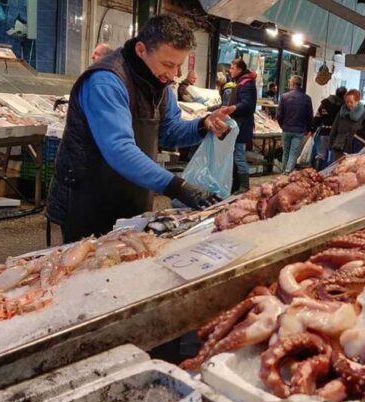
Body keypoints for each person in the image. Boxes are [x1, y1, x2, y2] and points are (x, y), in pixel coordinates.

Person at [46, 14, 234, 242]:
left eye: (178, 66)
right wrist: (177, 186)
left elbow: (170, 132)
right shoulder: (106, 80)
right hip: (88, 201)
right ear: (141, 49)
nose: (173, 74)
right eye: (168, 64)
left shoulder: (160, 85)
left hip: (132, 198)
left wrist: (202, 125)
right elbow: (119, 149)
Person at [226, 58, 257, 192]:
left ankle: (244, 186)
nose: (230, 71)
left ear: (239, 69)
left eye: (232, 68)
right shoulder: (241, 82)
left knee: (239, 156)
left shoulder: (246, 84)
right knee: (235, 156)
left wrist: (232, 108)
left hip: (242, 126)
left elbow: (247, 105)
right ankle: (235, 186)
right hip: (238, 125)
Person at [276, 75, 313, 174]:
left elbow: (279, 114)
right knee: (293, 153)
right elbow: (309, 115)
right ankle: (287, 172)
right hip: (299, 130)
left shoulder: (284, 97)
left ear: (292, 83)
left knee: (286, 152)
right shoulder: (306, 98)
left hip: (286, 129)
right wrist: (308, 129)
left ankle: (284, 171)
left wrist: (282, 125)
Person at [310, 86, 346, 165]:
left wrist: (312, 129)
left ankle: (317, 171)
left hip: (323, 132)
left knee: (320, 155)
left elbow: (317, 117)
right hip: (336, 134)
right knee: (333, 157)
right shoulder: (344, 106)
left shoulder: (324, 103)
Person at [328, 89, 365, 158]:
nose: (348, 104)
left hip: (355, 151)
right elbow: (334, 129)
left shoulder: (364, 116)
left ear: (357, 101)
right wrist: (330, 144)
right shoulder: (341, 113)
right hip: (339, 147)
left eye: (351, 102)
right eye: (347, 102)